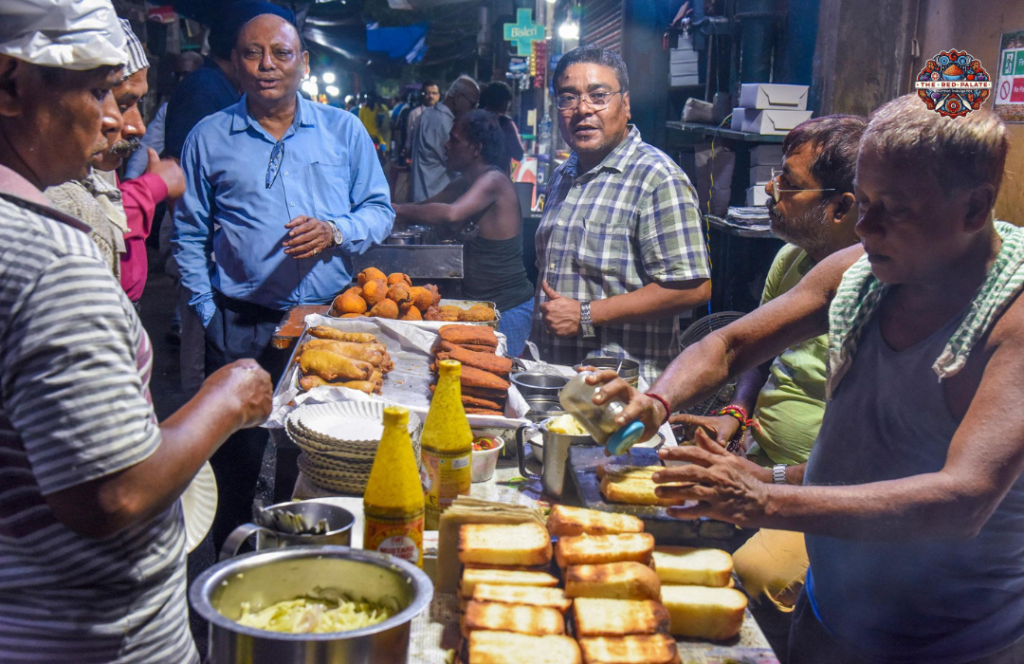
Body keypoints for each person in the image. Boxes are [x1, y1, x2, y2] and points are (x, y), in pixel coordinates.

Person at [599, 95, 1024, 663]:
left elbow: (963, 500)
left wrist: (765, 498)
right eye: (863, 201)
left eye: (891, 208)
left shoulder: (1011, 320)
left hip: (950, 644)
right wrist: (655, 400)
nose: (864, 225)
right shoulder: (857, 271)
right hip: (831, 613)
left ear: (974, 209)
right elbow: (731, 343)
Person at [0, 2, 272, 661]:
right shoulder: (51, 264)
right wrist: (227, 399)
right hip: (95, 634)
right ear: (10, 86)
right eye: (97, 91)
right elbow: (113, 492)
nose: (115, 121)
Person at [173, 13, 393, 548]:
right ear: (235, 62)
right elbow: (187, 233)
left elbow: (379, 210)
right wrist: (208, 310)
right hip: (241, 320)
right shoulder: (210, 136)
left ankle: (308, 553)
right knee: (237, 454)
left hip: (327, 323)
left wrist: (336, 230)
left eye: (281, 53)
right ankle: (230, 558)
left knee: (321, 450)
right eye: (252, 53)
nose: (267, 65)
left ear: (304, 62)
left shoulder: (342, 130)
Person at [672, 115, 865, 618]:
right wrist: (736, 414)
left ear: (841, 206)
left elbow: (863, 464)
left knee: (752, 574)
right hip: (761, 455)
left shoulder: (877, 289)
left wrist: (766, 476)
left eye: (789, 184)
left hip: (824, 486)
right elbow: (750, 351)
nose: (769, 188)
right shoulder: (791, 261)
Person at [531, 45, 710, 384]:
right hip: (557, 381)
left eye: (598, 96)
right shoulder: (562, 176)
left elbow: (693, 288)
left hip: (624, 394)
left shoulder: (657, 178)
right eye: (568, 98)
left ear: (625, 105)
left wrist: (586, 314)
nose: (582, 109)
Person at [46, 19, 185, 304]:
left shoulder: (96, 168)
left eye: (138, 105)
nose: (137, 126)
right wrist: (152, 186)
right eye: (121, 104)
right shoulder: (52, 187)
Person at [394, 111, 535, 356]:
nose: (446, 145)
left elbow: (451, 213)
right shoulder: (465, 182)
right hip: (481, 307)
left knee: (496, 381)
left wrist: (396, 210)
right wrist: (384, 209)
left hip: (508, 308)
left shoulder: (493, 180)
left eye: (455, 140)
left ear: (476, 148)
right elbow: (425, 206)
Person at [124, 51, 202, 179]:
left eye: (186, 74)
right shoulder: (168, 108)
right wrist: (130, 177)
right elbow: (149, 144)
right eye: (178, 75)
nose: (181, 80)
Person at [410, 76, 479, 202]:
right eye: (472, 103)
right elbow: (459, 166)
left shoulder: (425, 116)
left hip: (422, 198)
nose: (473, 109)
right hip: (436, 202)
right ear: (458, 98)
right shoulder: (445, 124)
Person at [479, 81, 524, 170]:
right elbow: (518, 154)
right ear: (504, 102)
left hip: (473, 176)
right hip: (498, 176)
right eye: (509, 103)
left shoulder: (474, 118)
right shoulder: (505, 124)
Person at [405, 78, 440, 156]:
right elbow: (409, 137)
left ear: (438, 96)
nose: (431, 96)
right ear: (422, 94)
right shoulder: (415, 114)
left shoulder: (445, 115)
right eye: (427, 93)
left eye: (434, 93)